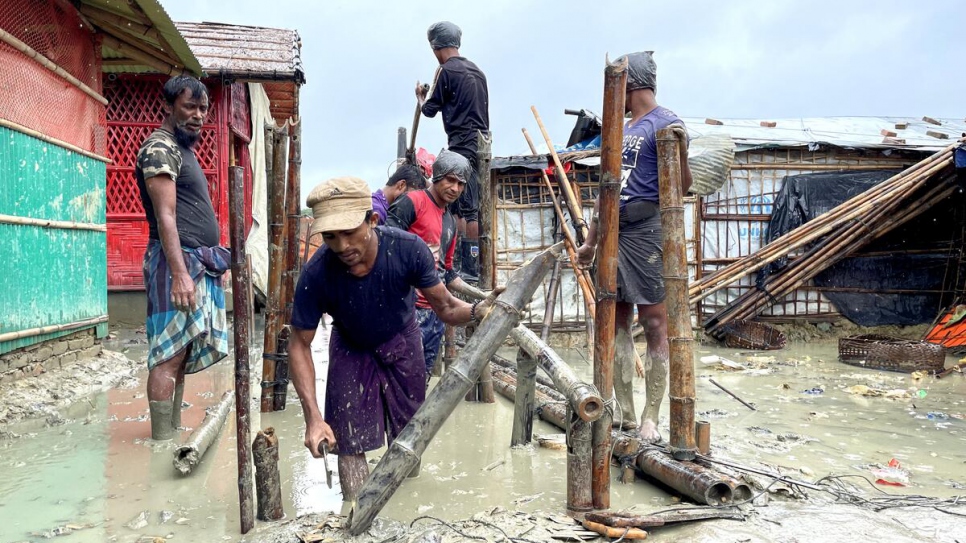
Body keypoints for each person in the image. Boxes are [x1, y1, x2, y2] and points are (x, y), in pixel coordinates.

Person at [288, 176, 500, 501]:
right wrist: (314, 419)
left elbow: (444, 307)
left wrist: (477, 311)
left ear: (372, 220)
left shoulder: (407, 250)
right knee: (348, 441)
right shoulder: (317, 273)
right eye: (330, 237)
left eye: (349, 233)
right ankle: (356, 520)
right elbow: (300, 345)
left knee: (409, 436)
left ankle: (405, 508)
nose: (342, 246)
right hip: (350, 346)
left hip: (402, 340)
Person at [576, 52, 692, 442]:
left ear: (631, 84)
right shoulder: (621, 129)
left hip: (646, 230)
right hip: (613, 230)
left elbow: (684, 184)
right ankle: (625, 413)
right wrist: (591, 242)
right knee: (617, 320)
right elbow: (606, 188)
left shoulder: (667, 123)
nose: (616, 97)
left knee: (656, 321)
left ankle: (651, 417)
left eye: (618, 88)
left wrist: (682, 149)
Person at [135, 75, 229, 441]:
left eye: (203, 108)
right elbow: (166, 216)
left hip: (197, 262)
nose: (198, 115)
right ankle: (161, 441)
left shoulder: (181, 149)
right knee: (168, 354)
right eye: (190, 107)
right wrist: (179, 273)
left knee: (183, 350)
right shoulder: (159, 148)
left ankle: (171, 431)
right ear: (168, 106)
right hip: (176, 263)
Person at [387, 151, 472, 378]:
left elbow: (447, 271)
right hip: (406, 307)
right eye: (450, 180)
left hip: (435, 312)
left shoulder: (449, 221)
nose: (455, 188)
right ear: (437, 177)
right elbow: (386, 247)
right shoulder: (412, 202)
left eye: (460, 184)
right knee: (397, 375)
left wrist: (481, 296)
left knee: (420, 377)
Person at [416, 21, 489, 281]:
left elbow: (429, 110)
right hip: (482, 144)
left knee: (461, 208)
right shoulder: (478, 71)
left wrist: (420, 97)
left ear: (436, 47)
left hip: (461, 143)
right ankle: (471, 264)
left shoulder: (446, 71)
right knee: (475, 205)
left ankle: (464, 267)